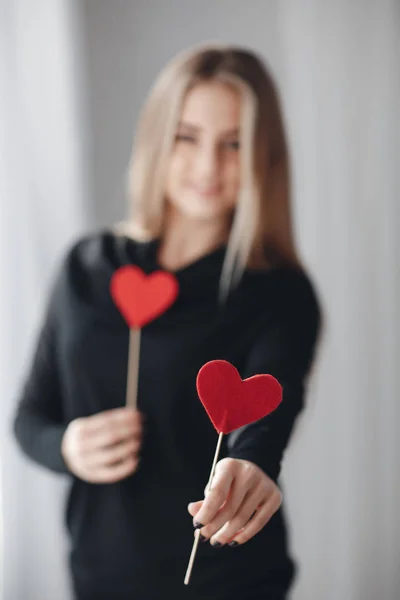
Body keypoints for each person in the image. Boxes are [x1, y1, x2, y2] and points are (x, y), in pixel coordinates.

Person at [12, 44, 321, 600]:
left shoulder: (279, 292)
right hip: (97, 578)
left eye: (234, 144)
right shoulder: (86, 266)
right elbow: (29, 417)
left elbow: (272, 404)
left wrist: (252, 463)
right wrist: (69, 447)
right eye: (187, 136)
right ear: (158, 138)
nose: (207, 166)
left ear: (262, 156)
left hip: (232, 583)